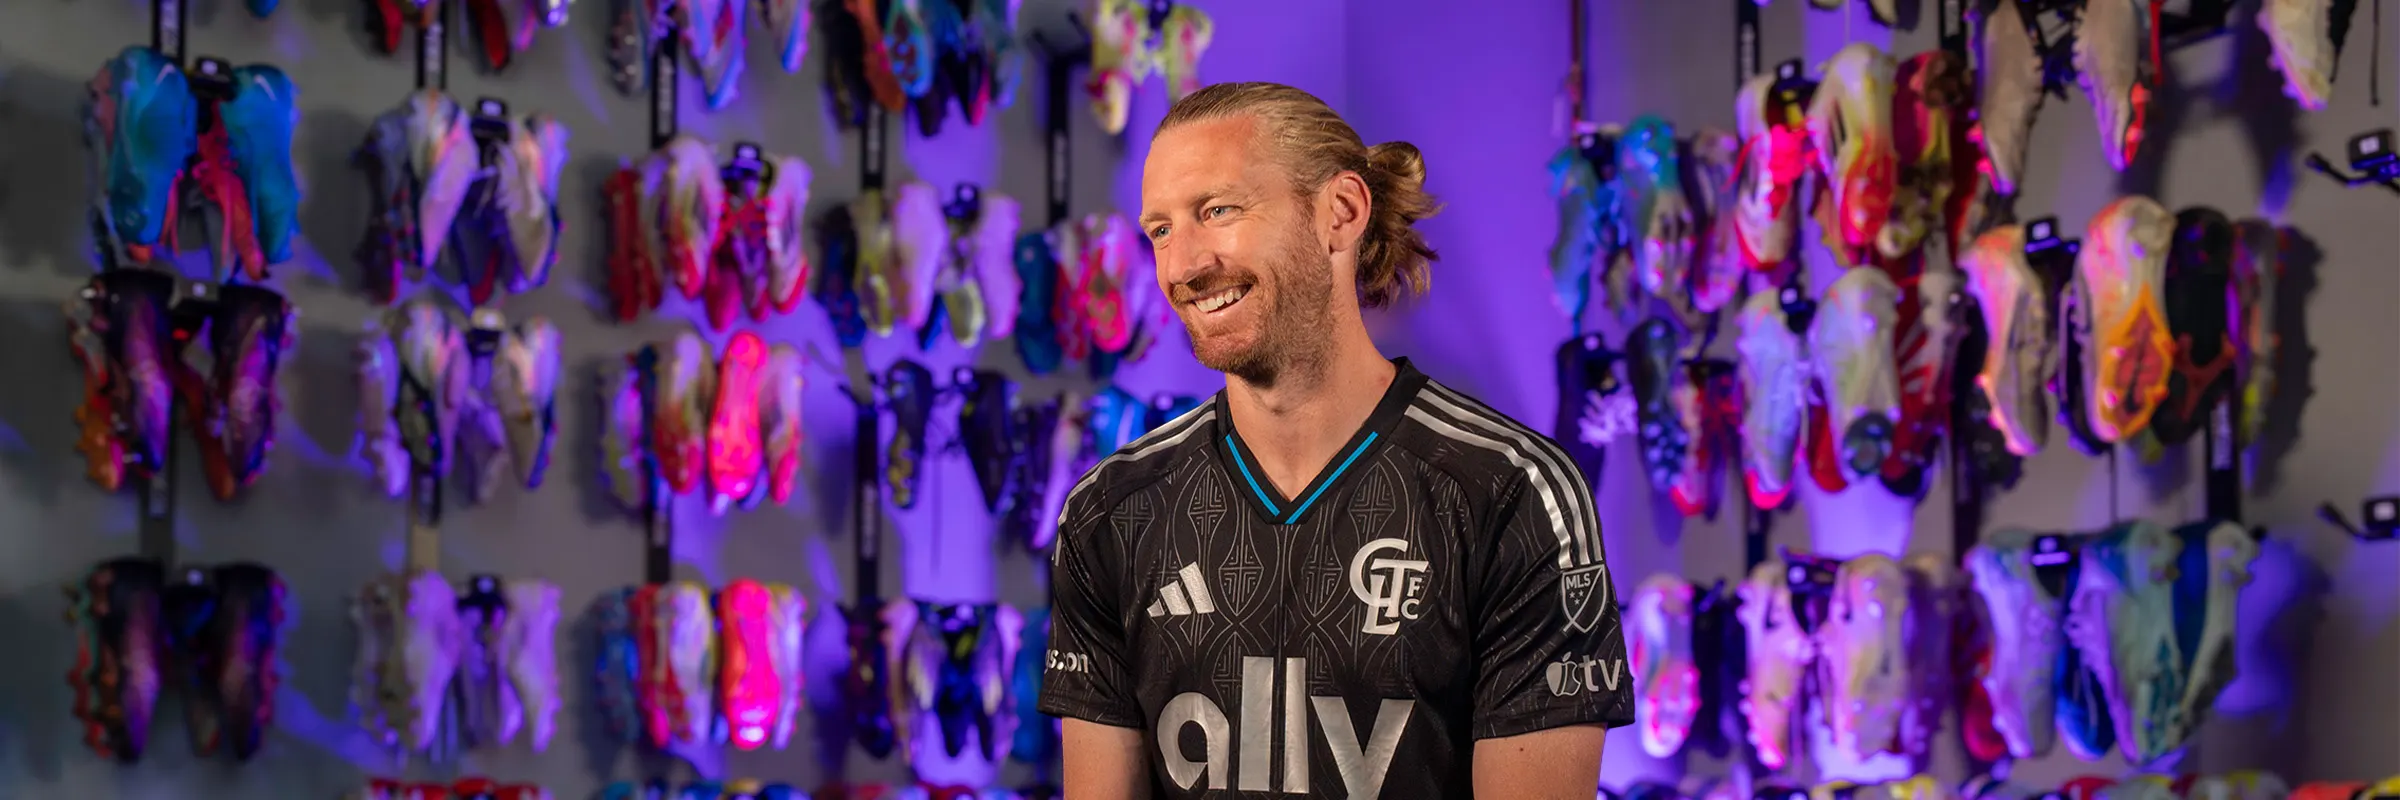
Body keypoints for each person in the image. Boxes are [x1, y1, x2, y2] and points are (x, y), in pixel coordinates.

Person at [1037, 81, 1633, 799]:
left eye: (1218, 211)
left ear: (1341, 213)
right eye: (1161, 229)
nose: (1183, 265)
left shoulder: (1509, 493)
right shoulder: (1114, 511)